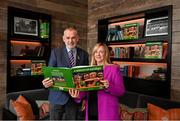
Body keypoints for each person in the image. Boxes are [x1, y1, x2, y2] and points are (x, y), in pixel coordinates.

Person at [69, 43, 125, 120]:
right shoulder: (89, 70)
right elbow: (85, 91)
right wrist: (77, 95)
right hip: (91, 109)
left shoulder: (113, 69)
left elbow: (121, 91)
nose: (98, 54)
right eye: (96, 52)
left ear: (106, 54)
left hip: (107, 110)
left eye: (101, 52)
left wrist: (109, 86)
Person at [42, 27, 89, 120]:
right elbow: (49, 74)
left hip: (74, 99)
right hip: (57, 98)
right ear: (63, 39)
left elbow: (85, 78)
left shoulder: (84, 54)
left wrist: (84, 98)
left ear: (77, 38)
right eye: (68, 38)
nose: (70, 41)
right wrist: (45, 83)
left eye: (73, 38)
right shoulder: (55, 52)